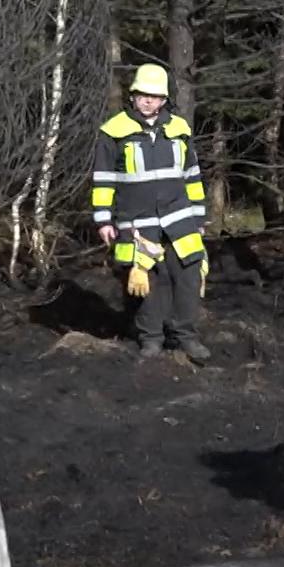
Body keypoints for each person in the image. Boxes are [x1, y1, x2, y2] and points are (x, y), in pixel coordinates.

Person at [91, 63, 212, 363]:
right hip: (137, 223)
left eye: (155, 96)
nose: (148, 101)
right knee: (146, 282)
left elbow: (192, 176)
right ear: (132, 96)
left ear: (164, 100)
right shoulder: (114, 132)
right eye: (143, 94)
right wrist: (103, 219)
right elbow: (104, 178)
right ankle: (151, 340)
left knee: (188, 276)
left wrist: (198, 219)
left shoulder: (179, 130)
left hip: (180, 218)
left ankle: (186, 337)